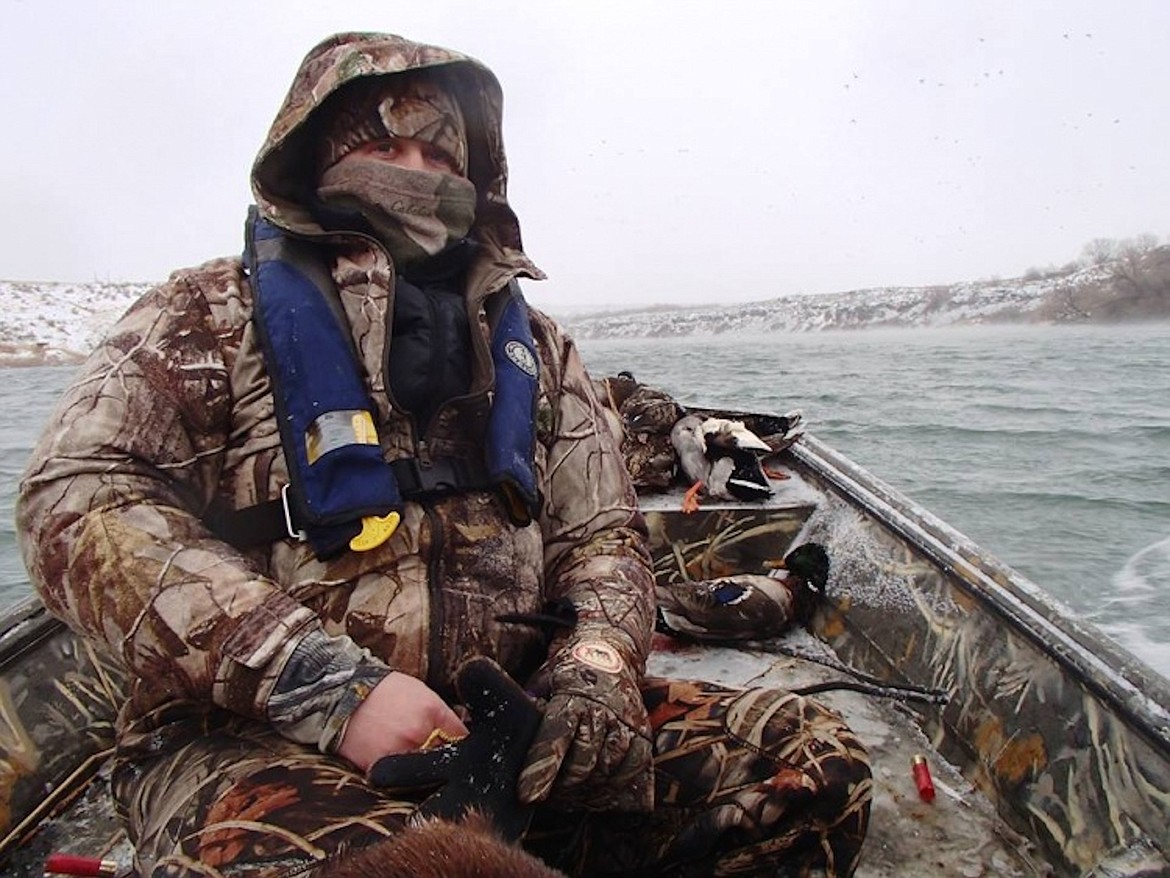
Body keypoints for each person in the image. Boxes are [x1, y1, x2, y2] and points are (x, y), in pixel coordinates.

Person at [18, 32, 871, 877]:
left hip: (518, 715)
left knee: (813, 769)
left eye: (438, 152)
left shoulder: (539, 347)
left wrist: (594, 672)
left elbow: (604, 539)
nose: (416, 171)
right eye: (384, 146)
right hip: (255, 740)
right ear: (315, 159)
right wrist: (326, 685)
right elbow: (75, 499)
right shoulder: (205, 313)